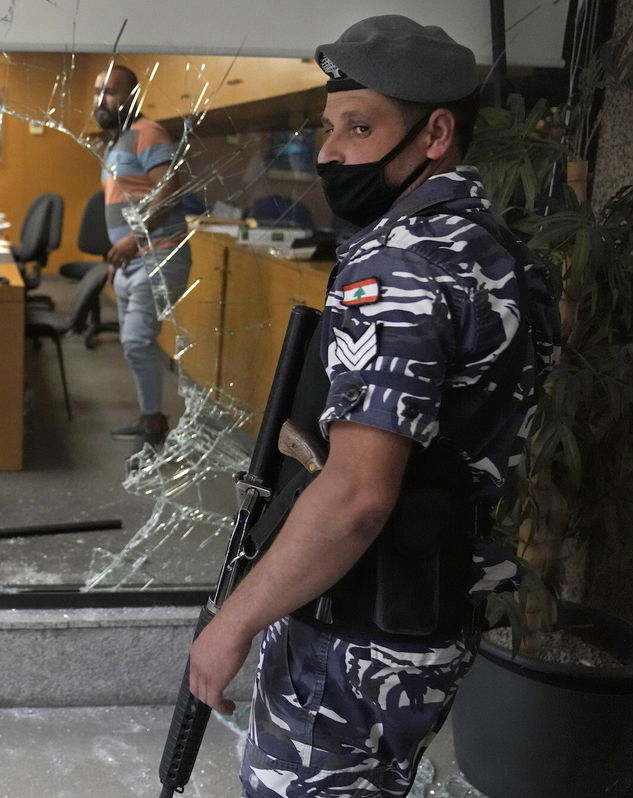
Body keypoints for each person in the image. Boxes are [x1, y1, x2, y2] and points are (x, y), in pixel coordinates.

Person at [187, 15, 559, 797]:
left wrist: (233, 623)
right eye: (329, 127)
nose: (329, 152)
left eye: (359, 128)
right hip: (427, 614)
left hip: (355, 626)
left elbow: (357, 495)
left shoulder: (400, 262)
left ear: (435, 135)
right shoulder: (498, 251)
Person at [93, 64, 192, 451]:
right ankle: (150, 416)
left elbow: (170, 190)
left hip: (158, 255)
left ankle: (154, 426)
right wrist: (121, 254)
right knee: (133, 342)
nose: (102, 100)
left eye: (111, 92)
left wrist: (133, 241)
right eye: (98, 91)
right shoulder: (116, 142)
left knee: (136, 341)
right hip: (131, 261)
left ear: (132, 97)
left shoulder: (147, 133)